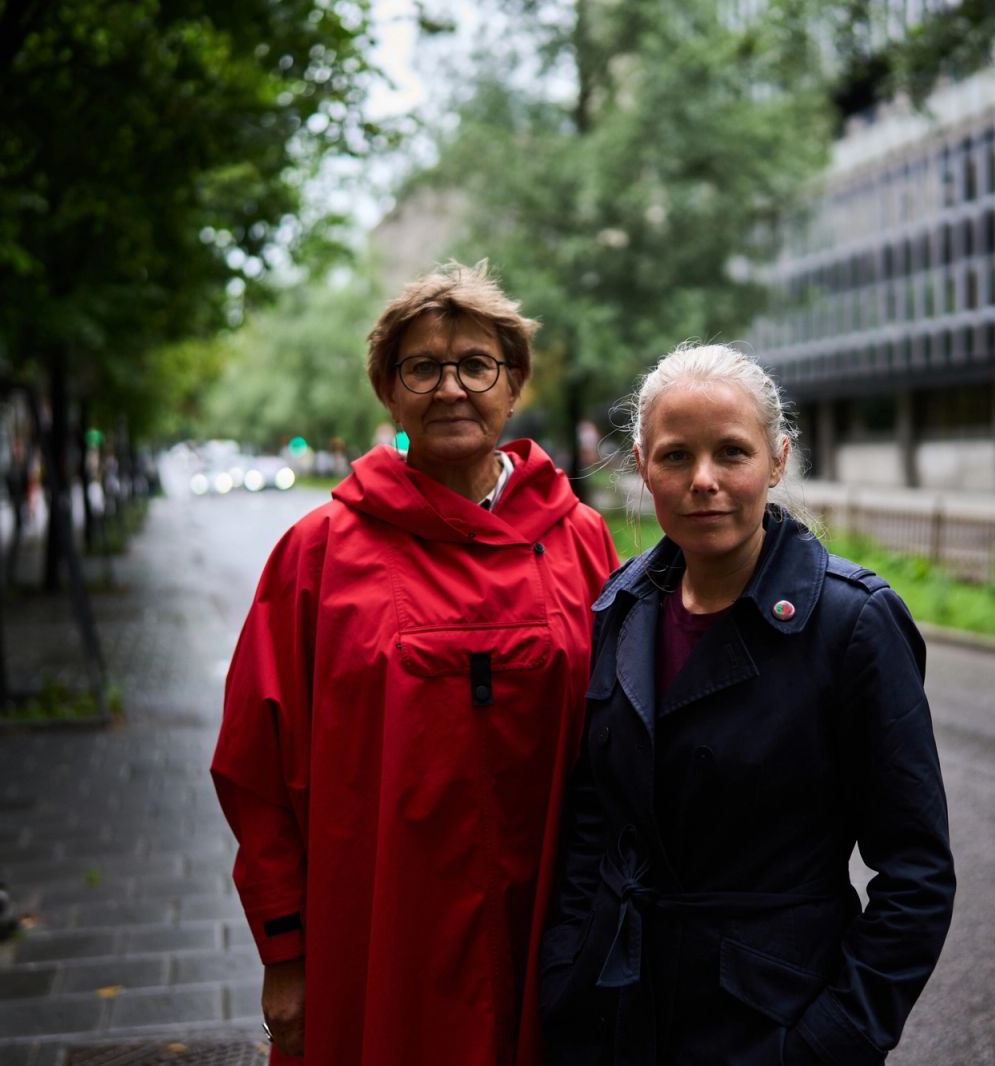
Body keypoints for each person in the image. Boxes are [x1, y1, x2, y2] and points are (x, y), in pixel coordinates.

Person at [212, 261, 620, 1065]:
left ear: (514, 384)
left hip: (557, 927)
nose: (450, 388)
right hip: (377, 936)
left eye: (475, 365)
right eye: (422, 368)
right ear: (388, 392)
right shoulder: (319, 554)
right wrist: (284, 950)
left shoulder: (580, 538)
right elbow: (255, 768)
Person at [539, 344, 955, 1066]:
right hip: (615, 1013)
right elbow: (594, 816)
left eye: (731, 452)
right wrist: (565, 969)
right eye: (676, 456)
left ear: (777, 459)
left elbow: (916, 877)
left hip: (768, 1022)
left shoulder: (852, 623)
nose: (703, 480)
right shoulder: (621, 605)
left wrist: (829, 1043)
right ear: (643, 467)